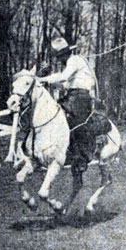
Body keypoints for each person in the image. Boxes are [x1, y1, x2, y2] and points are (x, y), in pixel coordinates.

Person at [37, 37, 97, 171]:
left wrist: (43, 79)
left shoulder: (74, 60)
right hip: (72, 95)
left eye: (59, 57)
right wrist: (48, 82)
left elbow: (63, 77)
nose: (59, 60)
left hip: (81, 97)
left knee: (74, 122)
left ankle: (81, 156)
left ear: (64, 54)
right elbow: (65, 84)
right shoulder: (71, 64)